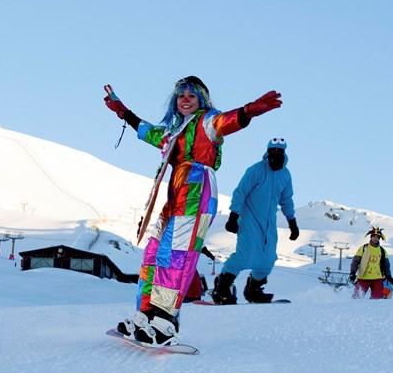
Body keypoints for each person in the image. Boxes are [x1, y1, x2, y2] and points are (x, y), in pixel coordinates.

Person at [104, 76, 282, 344]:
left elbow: (226, 122)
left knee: (177, 253)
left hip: (197, 189)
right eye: (180, 95)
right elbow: (147, 130)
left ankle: (165, 320)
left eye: (192, 95)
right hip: (174, 193)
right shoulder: (174, 132)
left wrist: (248, 111)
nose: (185, 99)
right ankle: (146, 313)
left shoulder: (206, 121)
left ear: (202, 100)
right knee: (154, 251)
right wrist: (122, 110)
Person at [211, 137, 299, 304]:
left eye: (279, 152)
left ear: (284, 153)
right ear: (267, 152)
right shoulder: (256, 170)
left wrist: (292, 222)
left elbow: (286, 200)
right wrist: (233, 216)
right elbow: (240, 192)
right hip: (249, 219)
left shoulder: (285, 175)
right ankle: (222, 287)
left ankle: (254, 289)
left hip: (269, 223)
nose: (276, 154)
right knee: (244, 255)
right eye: (273, 151)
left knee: (268, 258)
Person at [349, 227, 393, 299]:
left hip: (377, 278)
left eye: (377, 237)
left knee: (377, 300)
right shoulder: (364, 248)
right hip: (363, 277)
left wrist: (388, 276)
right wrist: (352, 272)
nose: (375, 238)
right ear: (371, 237)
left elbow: (386, 265)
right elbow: (355, 261)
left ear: (379, 238)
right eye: (374, 236)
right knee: (356, 298)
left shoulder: (382, 251)